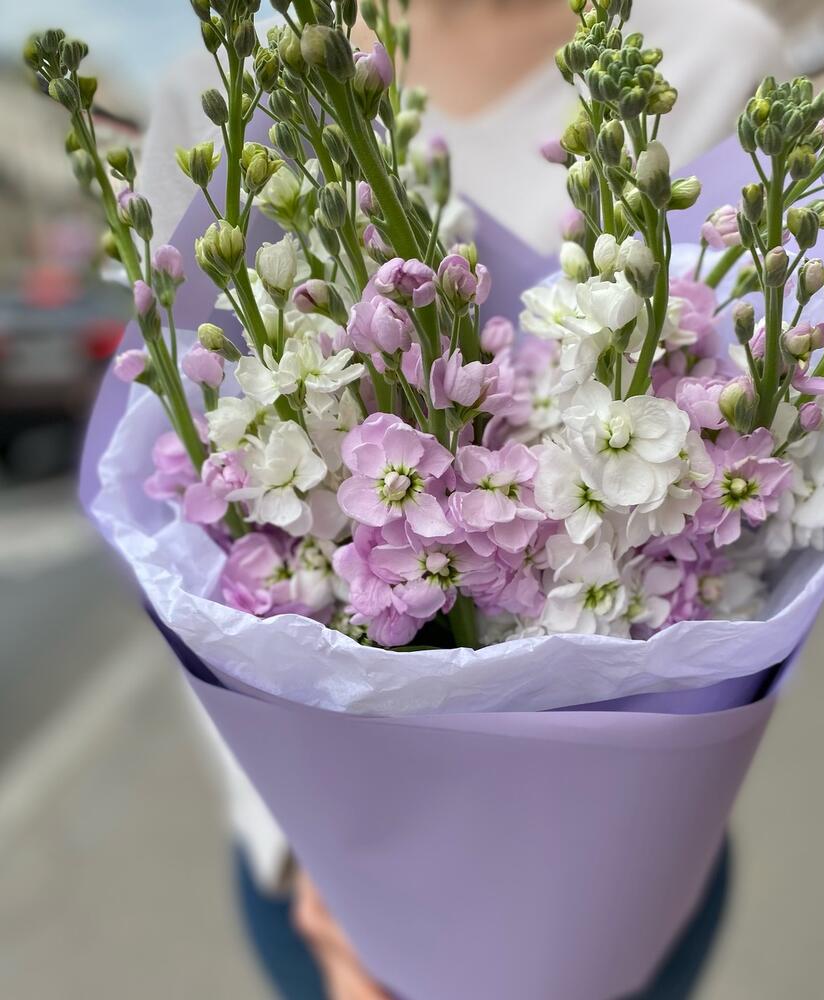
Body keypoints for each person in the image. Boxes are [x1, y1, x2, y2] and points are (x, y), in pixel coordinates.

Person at [137, 2, 789, 997]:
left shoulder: (716, 54)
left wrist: (631, 854)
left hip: (628, 860)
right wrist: (300, 853)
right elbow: (185, 551)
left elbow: (758, 500)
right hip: (333, 877)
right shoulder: (216, 88)